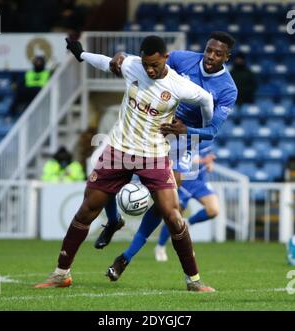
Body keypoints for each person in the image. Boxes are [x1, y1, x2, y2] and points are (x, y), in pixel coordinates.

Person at [34, 35, 215, 292]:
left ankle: (194, 281)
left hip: (153, 155)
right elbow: (107, 63)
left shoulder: (180, 86)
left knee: (174, 217)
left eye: (154, 64)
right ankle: (61, 274)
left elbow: (207, 100)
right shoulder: (133, 65)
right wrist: (81, 54)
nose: (149, 69)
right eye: (146, 63)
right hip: (118, 149)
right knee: (87, 209)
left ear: (165, 58)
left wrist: (198, 128)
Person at [101, 31, 237, 282]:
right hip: (155, 128)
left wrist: (187, 129)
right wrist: (122, 58)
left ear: (227, 57)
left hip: (186, 142)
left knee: (166, 205)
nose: (210, 56)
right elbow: (153, 63)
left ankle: (126, 257)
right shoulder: (184, 58)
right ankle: (112, 221)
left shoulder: (228, 89)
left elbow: (213, 132)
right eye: (209, 50)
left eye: (218, 53)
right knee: (111, 171)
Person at [155, 142, 218, 261]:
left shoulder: (209, 139)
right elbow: (188, 160)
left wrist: (210, 164)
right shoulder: (188, 137)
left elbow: (209, 158)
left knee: (213, 210)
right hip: (185, 182)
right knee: (173, 216)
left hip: (200, 182)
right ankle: (160, 246)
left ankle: (188, 222)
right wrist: (204, 161)